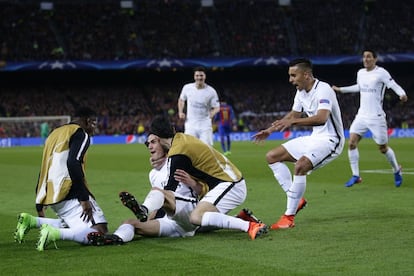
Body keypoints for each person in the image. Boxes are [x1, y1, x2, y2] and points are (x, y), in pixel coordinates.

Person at [87, 133, 262, 245]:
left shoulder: (180, 161)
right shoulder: (153, 174)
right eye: (147, 144)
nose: (150, 146)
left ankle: (245, 223)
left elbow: (204, 191)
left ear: (164, 145)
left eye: (153, 141)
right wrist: (147, 219)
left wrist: (192, 183)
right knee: (130, 223)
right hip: (173, 222)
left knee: (161, 194)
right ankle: (115, 238)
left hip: (189, 209)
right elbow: (158, 202)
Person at [125, 115, 268, 240]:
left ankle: (250, 226)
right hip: (224, 181)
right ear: (173, 129)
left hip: (230, 183)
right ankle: (241, 218)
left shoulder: (178, 153)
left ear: (156, 137)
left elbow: (168, 192)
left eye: (151, 142)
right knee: (196, 221)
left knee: (196, 217)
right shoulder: (182, 140)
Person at [253, 58, 345, 230]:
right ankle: (296, 198)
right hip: (314, 137)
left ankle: (288, 217)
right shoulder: (300, 92)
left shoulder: (324, 90)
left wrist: (294, 122)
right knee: (272, 156)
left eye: (293, 76)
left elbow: (322, 118)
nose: (290, 80)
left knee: (301, 166)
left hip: (331, 140)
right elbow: (292, 115)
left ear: (306, 75)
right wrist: (269, 130)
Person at [14, 107, 108, 251]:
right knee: (100, 231)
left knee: (74, 224)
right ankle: (55, 234)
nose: (94, 129)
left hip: (53, 195)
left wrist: (39, 202)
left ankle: (33, 222)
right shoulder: (80, 133)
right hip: (70, 192)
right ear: (88, 121)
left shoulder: (54, 134)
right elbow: (73, 162)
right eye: (94, 124)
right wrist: (84, 199)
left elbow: (45, 167)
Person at [332, 49, 408, 187]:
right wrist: (341, 90)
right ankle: (356, 175)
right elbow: (359, 87)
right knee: (352, 143)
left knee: (383, 148)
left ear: (375, 59)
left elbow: (393, 85)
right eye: (364, 57)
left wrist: (401, 94)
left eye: (368, 57)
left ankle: (396, 169)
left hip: (376, 117)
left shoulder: (381, 73)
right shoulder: (360, 73)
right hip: (362, 115)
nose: (365, 59)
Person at [178, 66, 220, 146]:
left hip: (205, 124)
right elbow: (181, 100)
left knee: (207, 149)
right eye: (197, 75)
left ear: (205, 76)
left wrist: (212, 113)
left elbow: (217, 107)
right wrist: (180, 112)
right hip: (190, 124)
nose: (199, 78)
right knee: (189, 147)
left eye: (201, 75)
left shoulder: (211, 91)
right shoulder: (187, 88)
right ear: (194, 76)